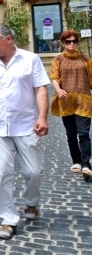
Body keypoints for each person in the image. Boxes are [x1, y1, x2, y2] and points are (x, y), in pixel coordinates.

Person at [0, 24, 50, 240]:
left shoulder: (30, 59)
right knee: (2, 173)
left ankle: (32, 203)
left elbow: (41, 89)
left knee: (34, 171)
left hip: (26, 125)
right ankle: (8, 219)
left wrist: (42, 117)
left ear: (8, 39)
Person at [49, 30, 92, 178]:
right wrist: (58, 90)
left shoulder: (85, 59)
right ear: (63, 43)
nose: (72, 44)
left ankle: (86, 164)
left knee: (84, 133)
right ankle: (77, 161)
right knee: (71, 134)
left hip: (83, 101)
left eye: (74, 41)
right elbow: (54, 77)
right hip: (66, 101)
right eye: (68, 41)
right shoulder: (58, 60)